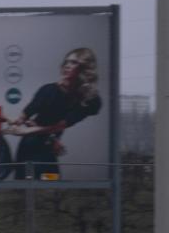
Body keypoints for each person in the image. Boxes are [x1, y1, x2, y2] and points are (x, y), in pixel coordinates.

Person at [6, 47, 102, 179]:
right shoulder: (48, 90)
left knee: (51, 184)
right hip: (29, 150)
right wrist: (14, 123)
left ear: (84, 68)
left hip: (47, 149)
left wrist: (27, 131)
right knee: (28, 184)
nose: (67, 65)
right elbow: (26, 114)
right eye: (66, 62)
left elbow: (60, 125)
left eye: (73, 62)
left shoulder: (89, 100)